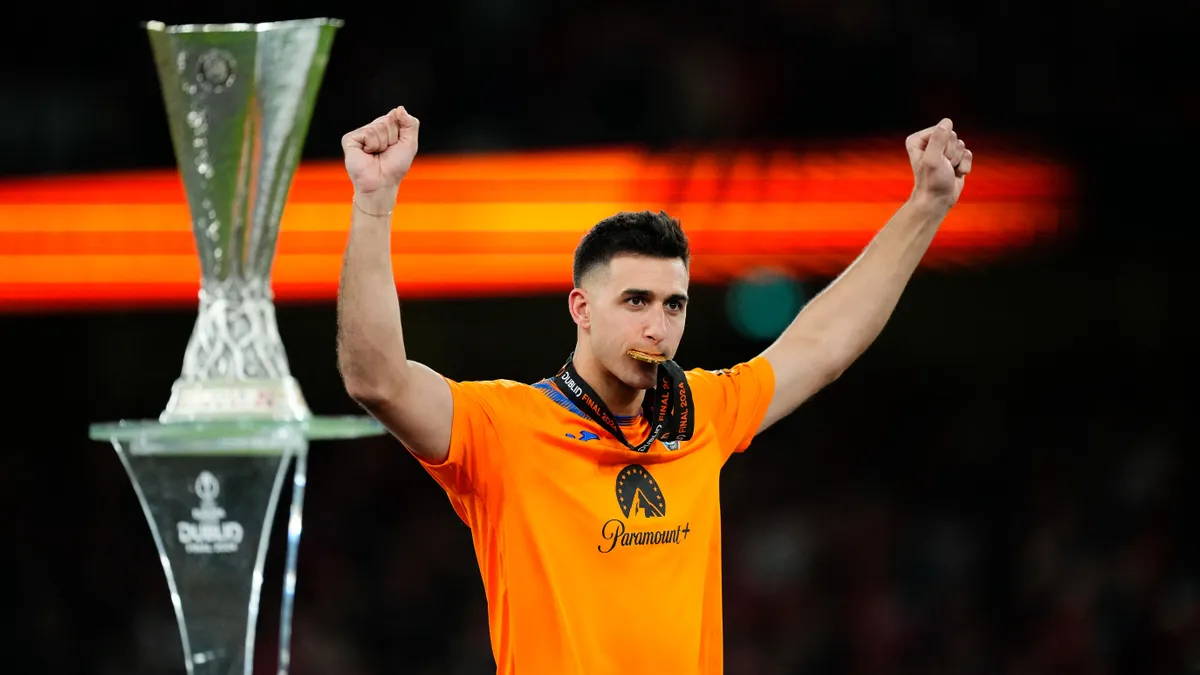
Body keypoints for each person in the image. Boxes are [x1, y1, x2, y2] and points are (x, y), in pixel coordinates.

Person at [335, 106, 972, 675]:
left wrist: (926, 206)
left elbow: (822, 346)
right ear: (582, 308)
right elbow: (377, 380)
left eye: (674, 304)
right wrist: (373, 203)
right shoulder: (504, 427)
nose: (658, 328)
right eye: (636, 301)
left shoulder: (701, 412)